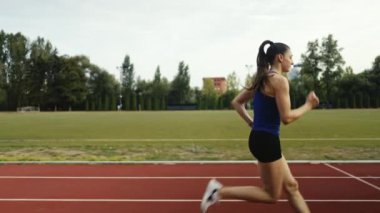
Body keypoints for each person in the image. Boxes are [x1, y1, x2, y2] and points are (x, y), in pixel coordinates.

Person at [200, 40, 320, 213]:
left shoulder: (261, 79)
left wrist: (252, 123)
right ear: (280, 58)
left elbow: (236, 102)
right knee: (271, 195)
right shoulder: (279, 81)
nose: (292, 61)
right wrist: (308, 106)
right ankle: (218, 191)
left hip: (259, 138)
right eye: (290, 57)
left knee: (292, 186)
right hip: (267, 141)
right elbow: (286, 118)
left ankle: (217, 191)